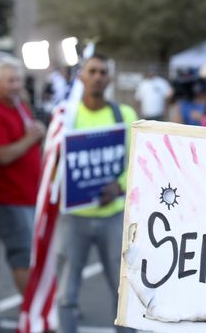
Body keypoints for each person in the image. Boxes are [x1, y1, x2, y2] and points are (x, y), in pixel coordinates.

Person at [55, 54, 137, 333]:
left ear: (109, 79)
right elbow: (53, 164)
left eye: (103, 71)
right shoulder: (66, 117)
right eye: (92, 71)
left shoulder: (124, 116)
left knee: (122, 290)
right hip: (73, 217)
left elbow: (138, 161)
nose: (98, 76)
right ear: (81, 77)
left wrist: (120, 185)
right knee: (67, 291)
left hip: (112, 216)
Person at [0, 59, 46, 294]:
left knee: (33, 254)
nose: (16, 86)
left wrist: (38, 134)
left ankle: (36, 308)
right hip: (8, 197)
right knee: (22, 255)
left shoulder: (19, 105)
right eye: (11, 81)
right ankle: (29, 311)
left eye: (19, 80)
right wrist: (31, 139)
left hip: (27, 194)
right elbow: (2, 156)